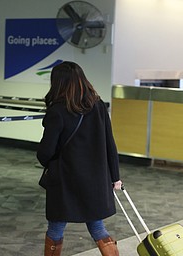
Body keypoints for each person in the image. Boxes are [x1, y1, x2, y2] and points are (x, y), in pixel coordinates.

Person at [37, 61, 122, 256]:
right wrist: (115, 176)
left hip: (65, 180)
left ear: (57, 83)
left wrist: (47, 161)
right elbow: (110, 143)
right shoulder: (98, 105)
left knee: (56, 228)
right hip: (95, 179)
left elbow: (46, 151)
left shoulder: (57, 110)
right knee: (97, 227)